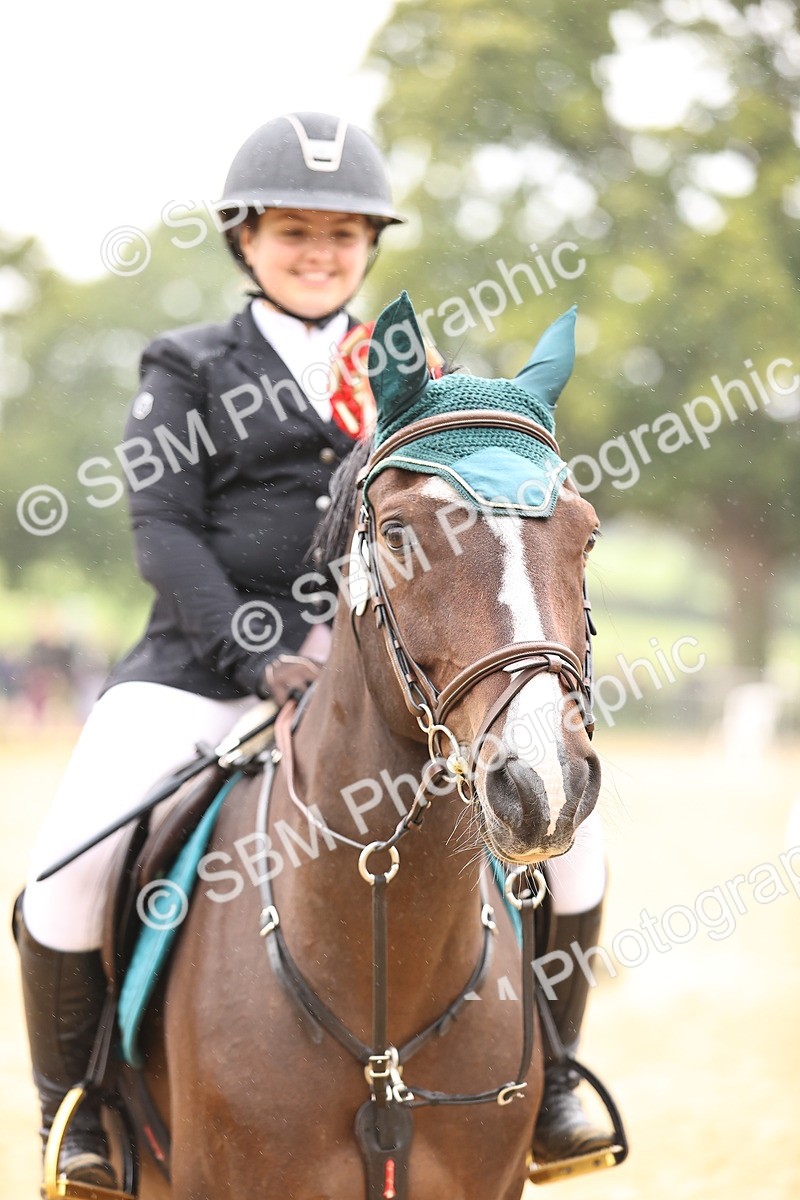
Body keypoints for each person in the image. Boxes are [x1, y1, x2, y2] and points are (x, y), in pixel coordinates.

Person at [14, 111, 613, 1193]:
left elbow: (468, 540)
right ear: (245, 238)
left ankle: (554, 1082)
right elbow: (165, 532)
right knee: (68, 868)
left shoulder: (414, 377)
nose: (318, 253)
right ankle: (83, 1114)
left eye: (341, 237)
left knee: (575, 851)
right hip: (200, 670)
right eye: (293, 231)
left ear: (368, 248)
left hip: (386, 676)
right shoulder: (186, 364)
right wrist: (254, 653)